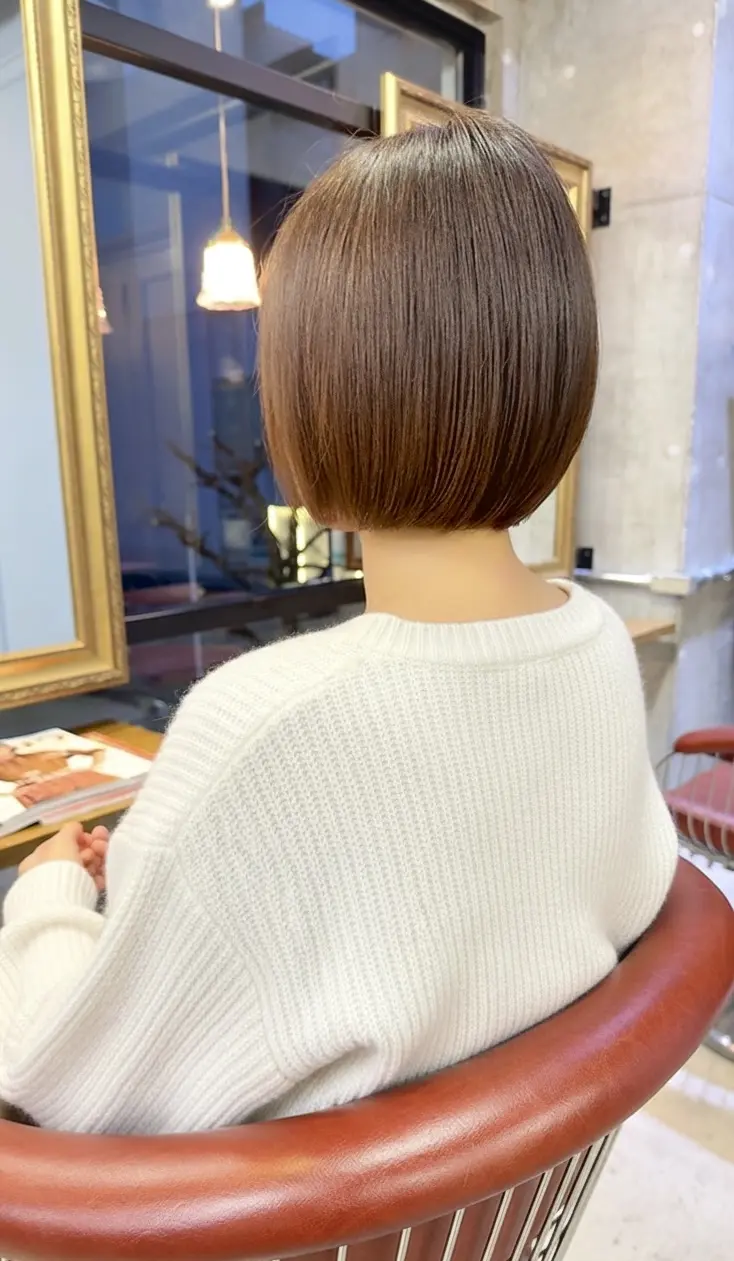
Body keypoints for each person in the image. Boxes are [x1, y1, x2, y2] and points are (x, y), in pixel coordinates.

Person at [0, 108, 677, 1134]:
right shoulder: (593, 645)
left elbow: (61, 1081)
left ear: (315, 395)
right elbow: (621, 902)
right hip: (485, 1206)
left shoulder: (264, 726)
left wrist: (50, 898)